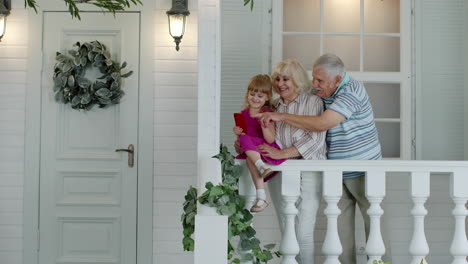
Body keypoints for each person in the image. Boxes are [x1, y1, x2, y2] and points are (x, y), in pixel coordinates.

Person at [256, 53, 389, 264]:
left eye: (320, 81)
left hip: (364, 168)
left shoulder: (351, 91)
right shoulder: (321, 92)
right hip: (337, 170)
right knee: (341, 232)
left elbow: (322, 124)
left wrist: (281, 117)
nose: (315, 85)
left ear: (337, 79)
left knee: (374, 228)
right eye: (314, 79)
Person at [238, 59, 327, 264]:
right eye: (277, 79)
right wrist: (245, 144)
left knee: (303, 232)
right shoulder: (273, 105)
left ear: (296, 80)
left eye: (286, 78)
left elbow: (316, 139)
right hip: (279, 171)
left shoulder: (313, 103)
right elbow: (263, 137)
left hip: (308, 170)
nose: (280, 83)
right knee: (287, 228)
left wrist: (282, 153)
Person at [233, 74, 286, 212]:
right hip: (253, 154)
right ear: (247, 94)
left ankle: (261, 166)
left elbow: (270, 139)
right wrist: (238, 135)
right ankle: (261, 197)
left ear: (267, 97)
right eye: (252, 94)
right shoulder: (243, 114)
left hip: (263, 148)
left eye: (260, 96)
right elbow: (241, 148)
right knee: (246, 145)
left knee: (246, 142)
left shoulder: (267, 113)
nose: (255, 98)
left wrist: (264, 125)